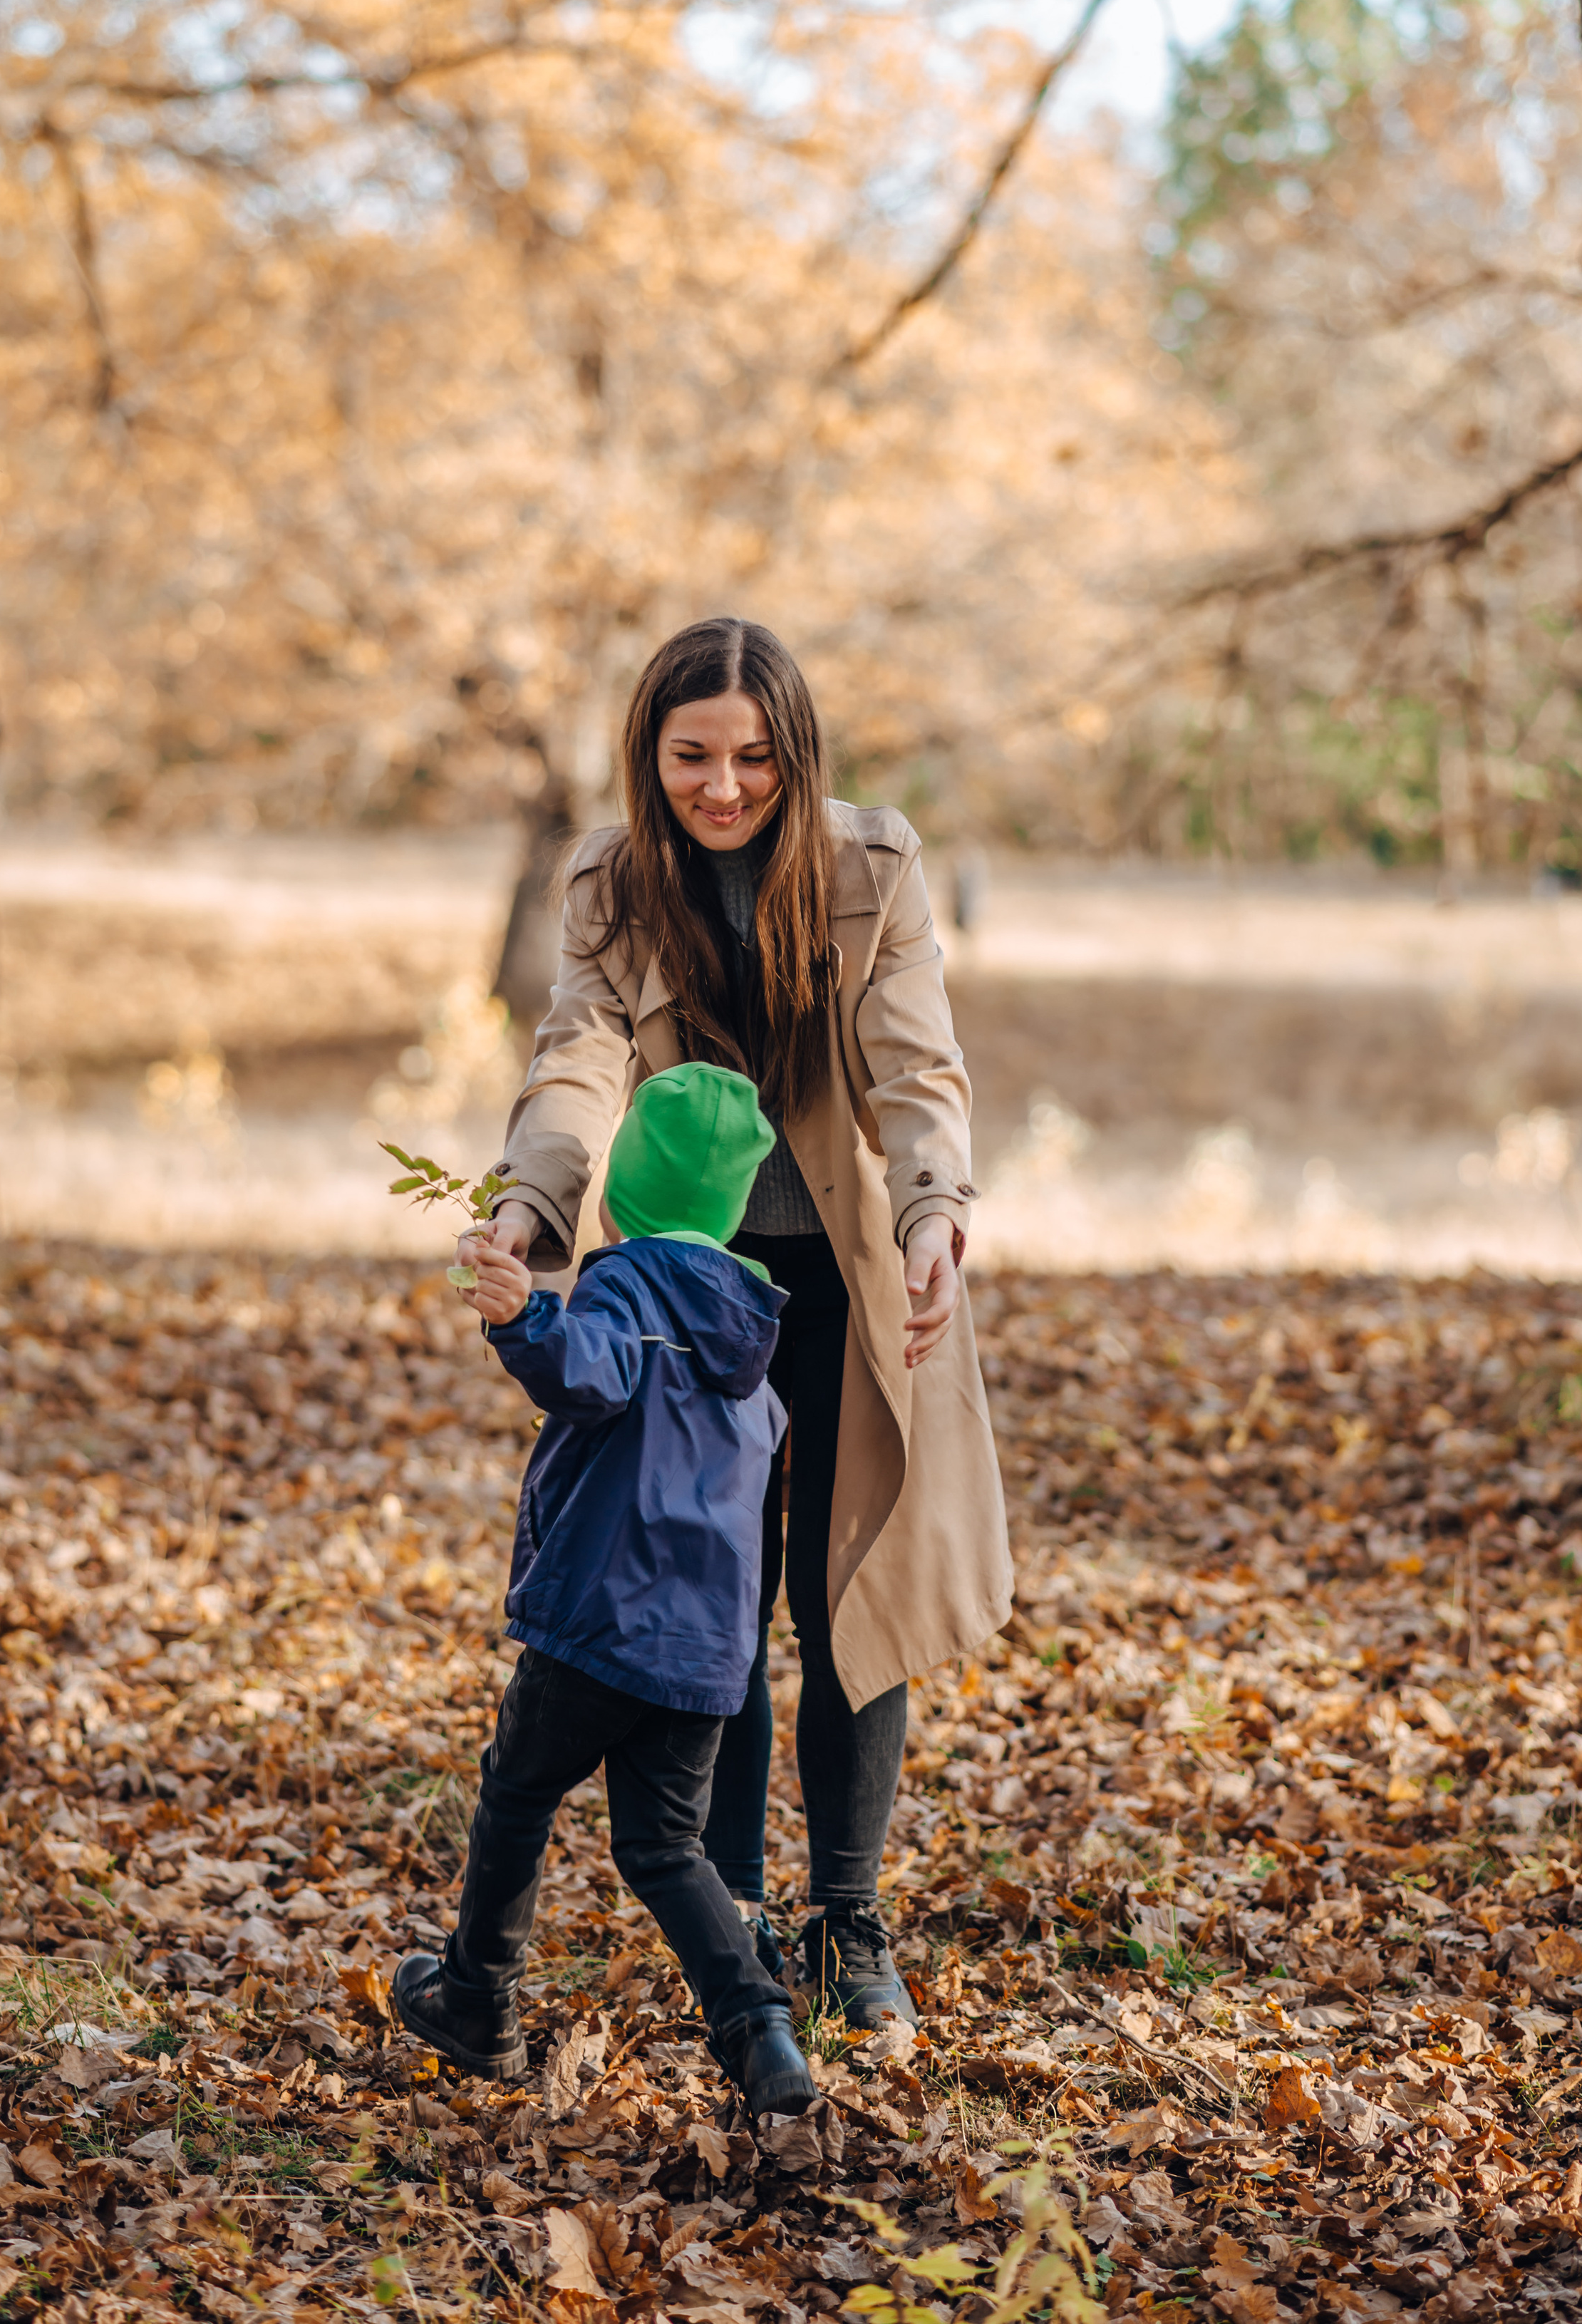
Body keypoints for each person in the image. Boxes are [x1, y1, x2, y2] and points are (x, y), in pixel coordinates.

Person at [468, 616, 1013, 2028]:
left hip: (844, 1277)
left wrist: (935, 1214)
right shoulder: (613, 879)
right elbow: (577, 1052)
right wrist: (530, 1205)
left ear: (795, 753)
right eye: (693, 756)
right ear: (650, 751)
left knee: (848, 1597)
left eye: (754, 758)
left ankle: (845, 1920)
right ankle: (735, 1925)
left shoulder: (867, 868)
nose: (723, 787)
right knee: (702, 1602)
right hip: (685, 1297)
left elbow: (915, 1069)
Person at [393, 1060, 817, 2116]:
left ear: (620, 1194)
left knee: (518, 1792)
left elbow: (590, 1368)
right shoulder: (746, 1330)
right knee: (668, 1847)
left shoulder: (628, 1288)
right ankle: (764, 2036)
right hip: (704, 1658)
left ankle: (478, 1998)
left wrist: (522, 1316)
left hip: (596, 1625)